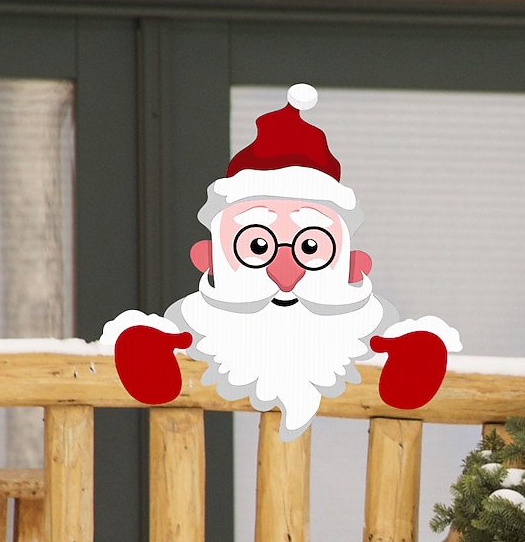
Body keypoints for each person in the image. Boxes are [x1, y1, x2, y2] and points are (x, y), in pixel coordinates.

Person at [102, 84, 460, 441]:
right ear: (208, 259)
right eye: (258, 245)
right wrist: (150, 350)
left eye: (310, 246)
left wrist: (412, 354)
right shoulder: (202, 322)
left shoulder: (357, 326)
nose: (285, 274)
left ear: (354, 265)